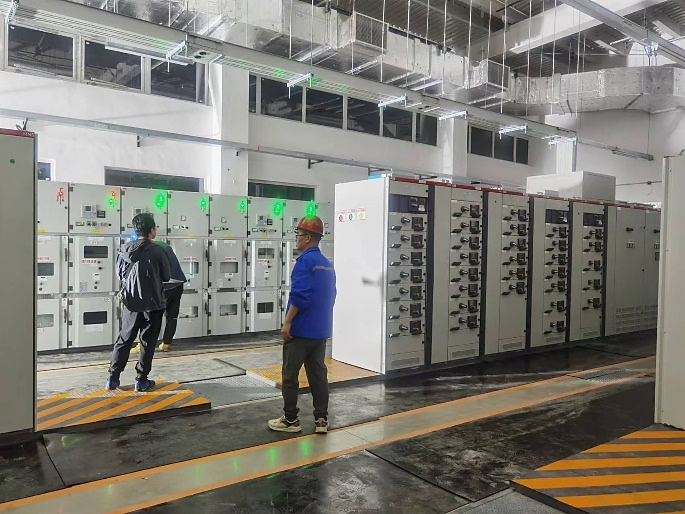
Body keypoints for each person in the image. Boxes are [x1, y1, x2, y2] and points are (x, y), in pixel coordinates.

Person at [268, 216, 336, 434]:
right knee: (318, 376)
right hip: (320, 331)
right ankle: (321, 420)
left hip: (300, 330)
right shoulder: (326, 264)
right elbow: (332, 295)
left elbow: (300, 296)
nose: (296, 239)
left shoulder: (304, 261)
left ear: (307, 238)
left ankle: (291, 420)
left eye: (298, 235)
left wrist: (287, 322)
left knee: (290, 376)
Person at [106, 213, 170, 392]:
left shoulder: (124, 249)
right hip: (153, 304)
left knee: (124, 339)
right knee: (148, 342)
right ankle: (141, 380)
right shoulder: (158, 250)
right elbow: (166, 276)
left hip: (130, 303)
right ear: (151, 230)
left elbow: (120, 275)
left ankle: (112, 379)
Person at [131, 240, 187, 353]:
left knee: (151, 316)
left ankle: (143, 345)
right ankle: (166, 343)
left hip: (165, 286)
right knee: (172, 316)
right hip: (178, 284)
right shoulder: (165, 245)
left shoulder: (150, 248)